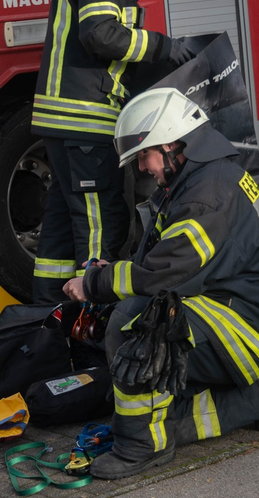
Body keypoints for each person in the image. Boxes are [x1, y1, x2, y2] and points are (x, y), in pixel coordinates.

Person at [62, 87, 259, 479]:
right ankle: (257, 399)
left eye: (144, 156)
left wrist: (95, 283)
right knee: (147, 384)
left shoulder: (207, 193)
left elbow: (161, 274)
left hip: (249, 324)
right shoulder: (201, 177)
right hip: (236, 309)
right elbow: (166, 258)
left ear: (171, 144)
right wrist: (110, 271)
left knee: (137, 328)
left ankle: (141, 447)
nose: (142, 169)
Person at [30, 0, 193, 303]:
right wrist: (163, 47)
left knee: (62, 231)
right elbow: (100, 34)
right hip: (85, 119)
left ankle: (45, 323)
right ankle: (93, 330)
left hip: (69, 119)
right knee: (100, 229)